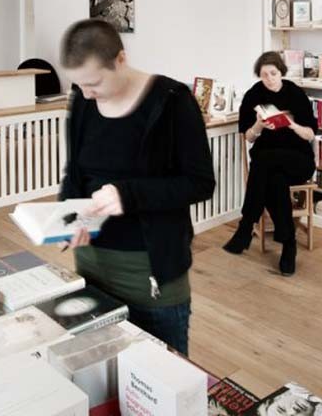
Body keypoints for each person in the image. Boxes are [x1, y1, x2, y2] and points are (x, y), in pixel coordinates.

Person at [58, 19, 215, 354]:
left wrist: (128, 195)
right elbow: (75, 173)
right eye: (79, 84)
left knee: (164, 373)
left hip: (149, 274)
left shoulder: (173, 102)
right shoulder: (83, 99)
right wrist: (69, 217)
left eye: (94, 83)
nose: (86, 94)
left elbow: (200, 183)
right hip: (91, 266)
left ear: (120, 60)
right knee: (103, 370)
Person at [224, 51, 318, 275]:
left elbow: (310, 135)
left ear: (281, 72)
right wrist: (259, 125)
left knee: (263, 160)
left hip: (297, 159)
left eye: (273, 73)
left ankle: (246, 226)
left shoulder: (295, 94)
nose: (269, 79)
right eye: (264, 75)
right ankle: (288, 245)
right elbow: (248, 137)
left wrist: (291, 124)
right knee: (275, 181)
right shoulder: (253, 95)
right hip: (268, 166)